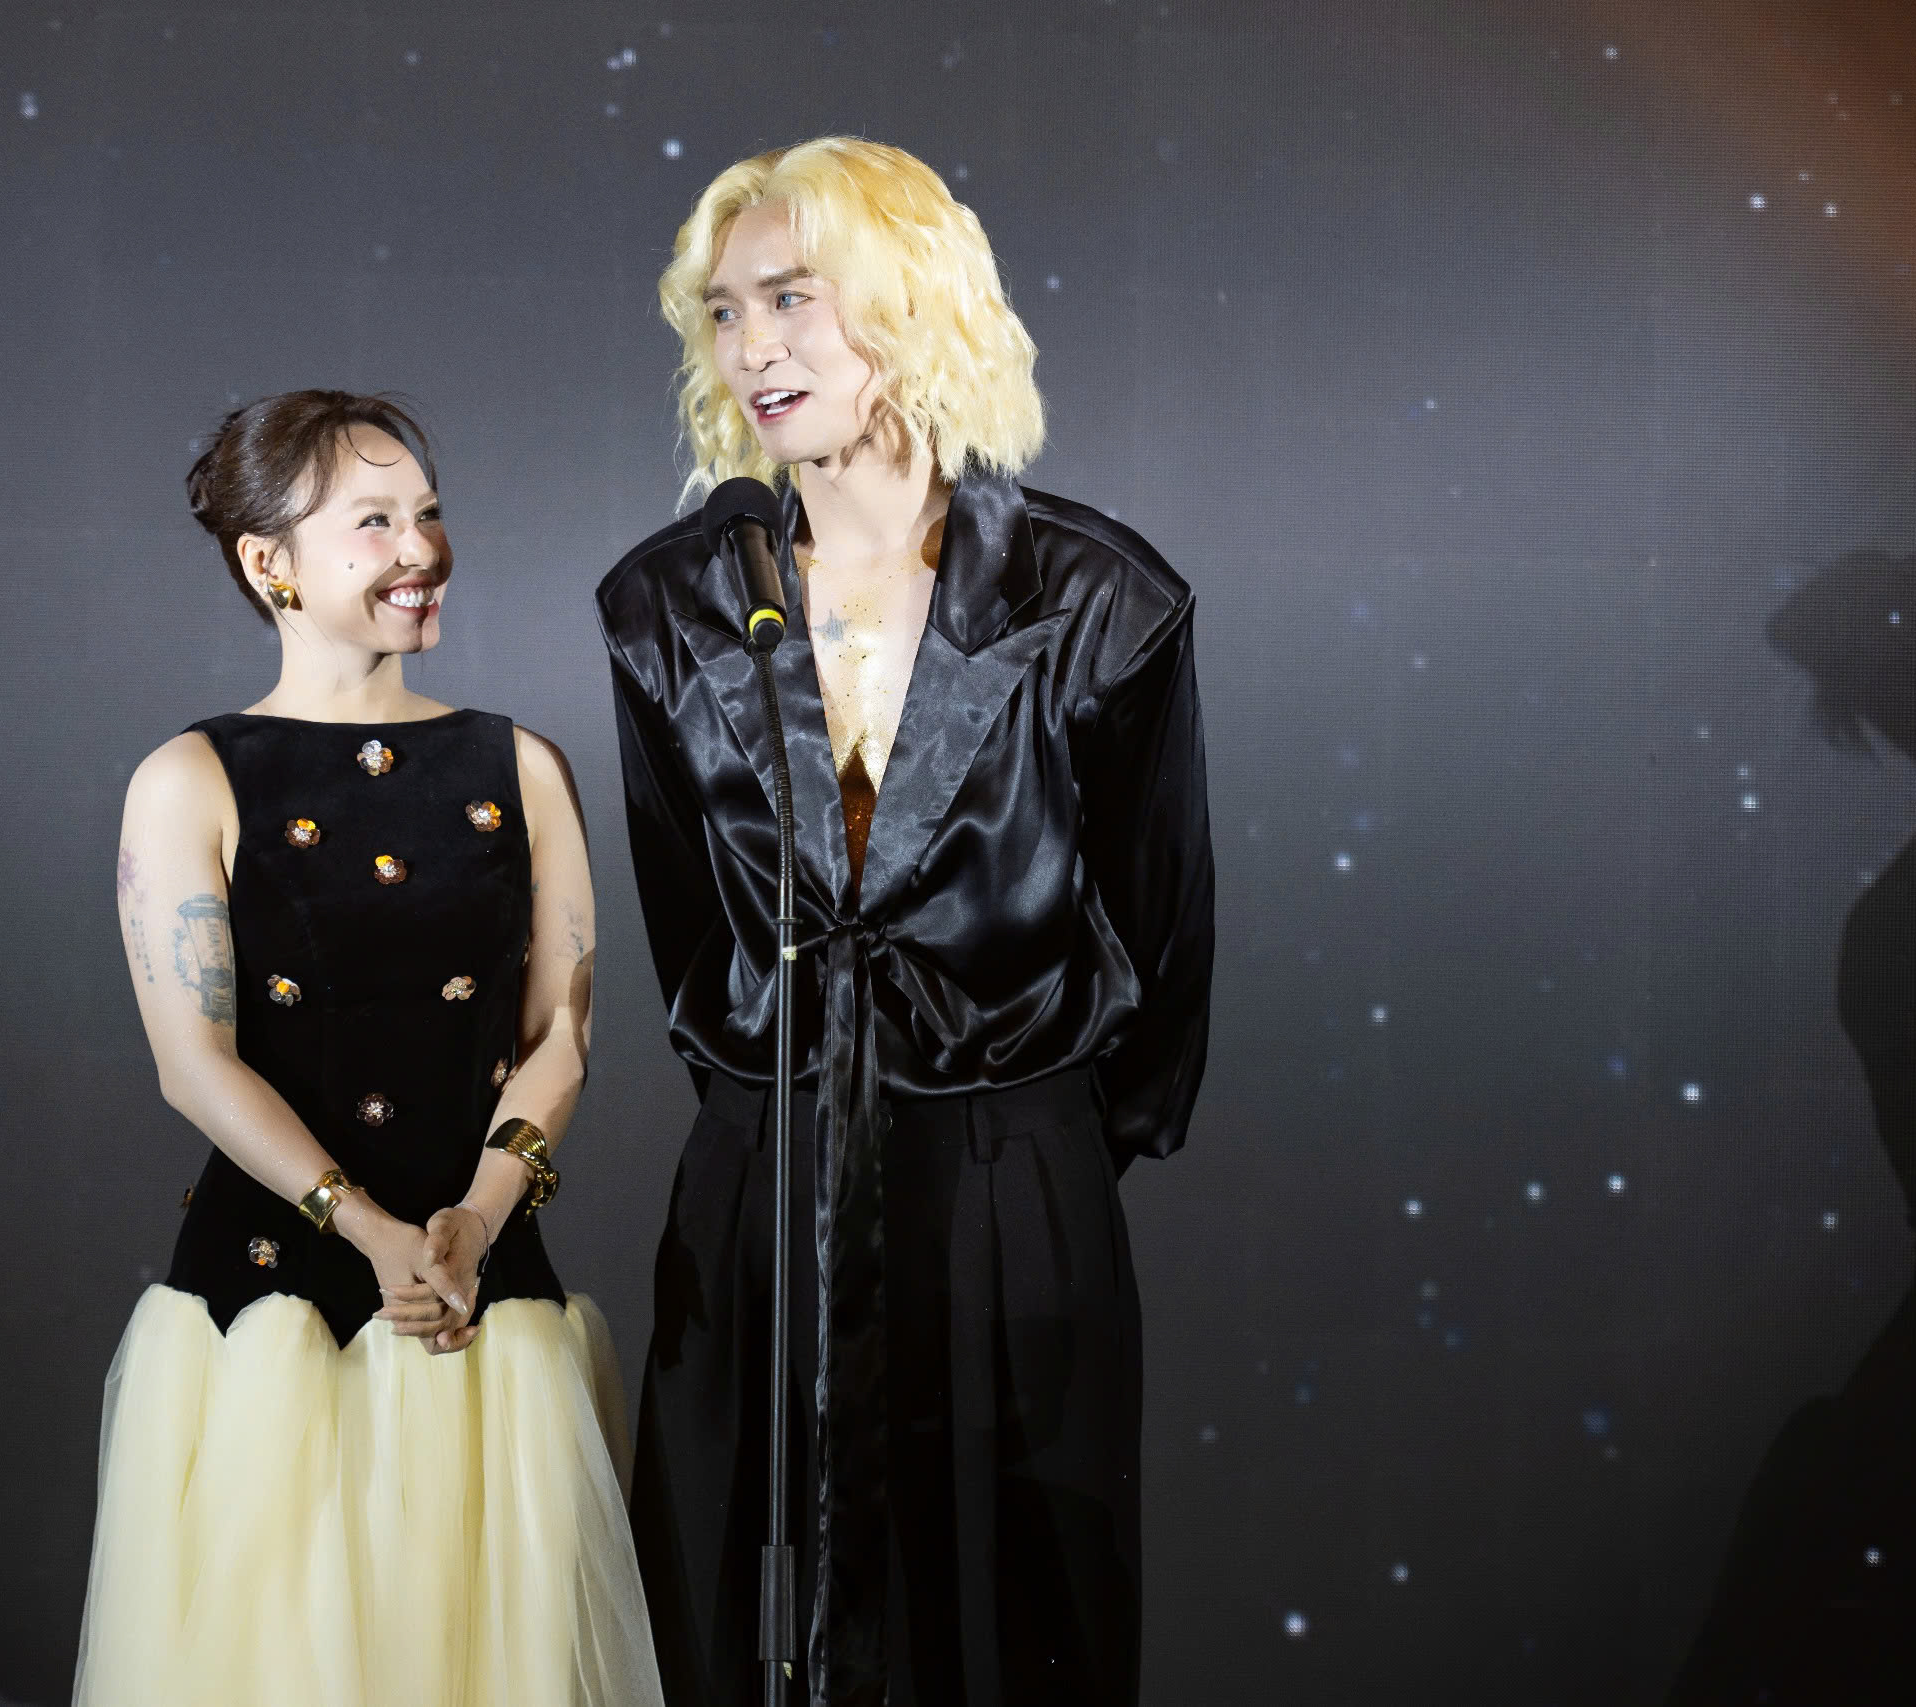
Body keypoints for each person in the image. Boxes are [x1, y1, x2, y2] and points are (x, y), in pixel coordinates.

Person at [596, 139, 1215, 1705]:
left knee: (1015, 1620)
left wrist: (1031, 1141)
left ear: (912, 301)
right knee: (736, 1604)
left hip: (1013, 1171)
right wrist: (776, 1105)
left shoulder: (1098, 599)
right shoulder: (667, 602)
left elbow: (1162, 929)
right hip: (765, 1171)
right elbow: (687, 920)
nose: (752, 346)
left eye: (793, 298)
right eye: (724, 311)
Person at [72, 391, 660, 1705]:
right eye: (375, 522)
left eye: (429, 514)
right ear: (267, 561)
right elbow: (194, 1061)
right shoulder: (190, 780)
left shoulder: (523, 767)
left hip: (480, 1303)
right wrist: (375, 1232)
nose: (422, 550)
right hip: (277, 1312)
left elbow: (560, 1040)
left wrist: (472, 1224)